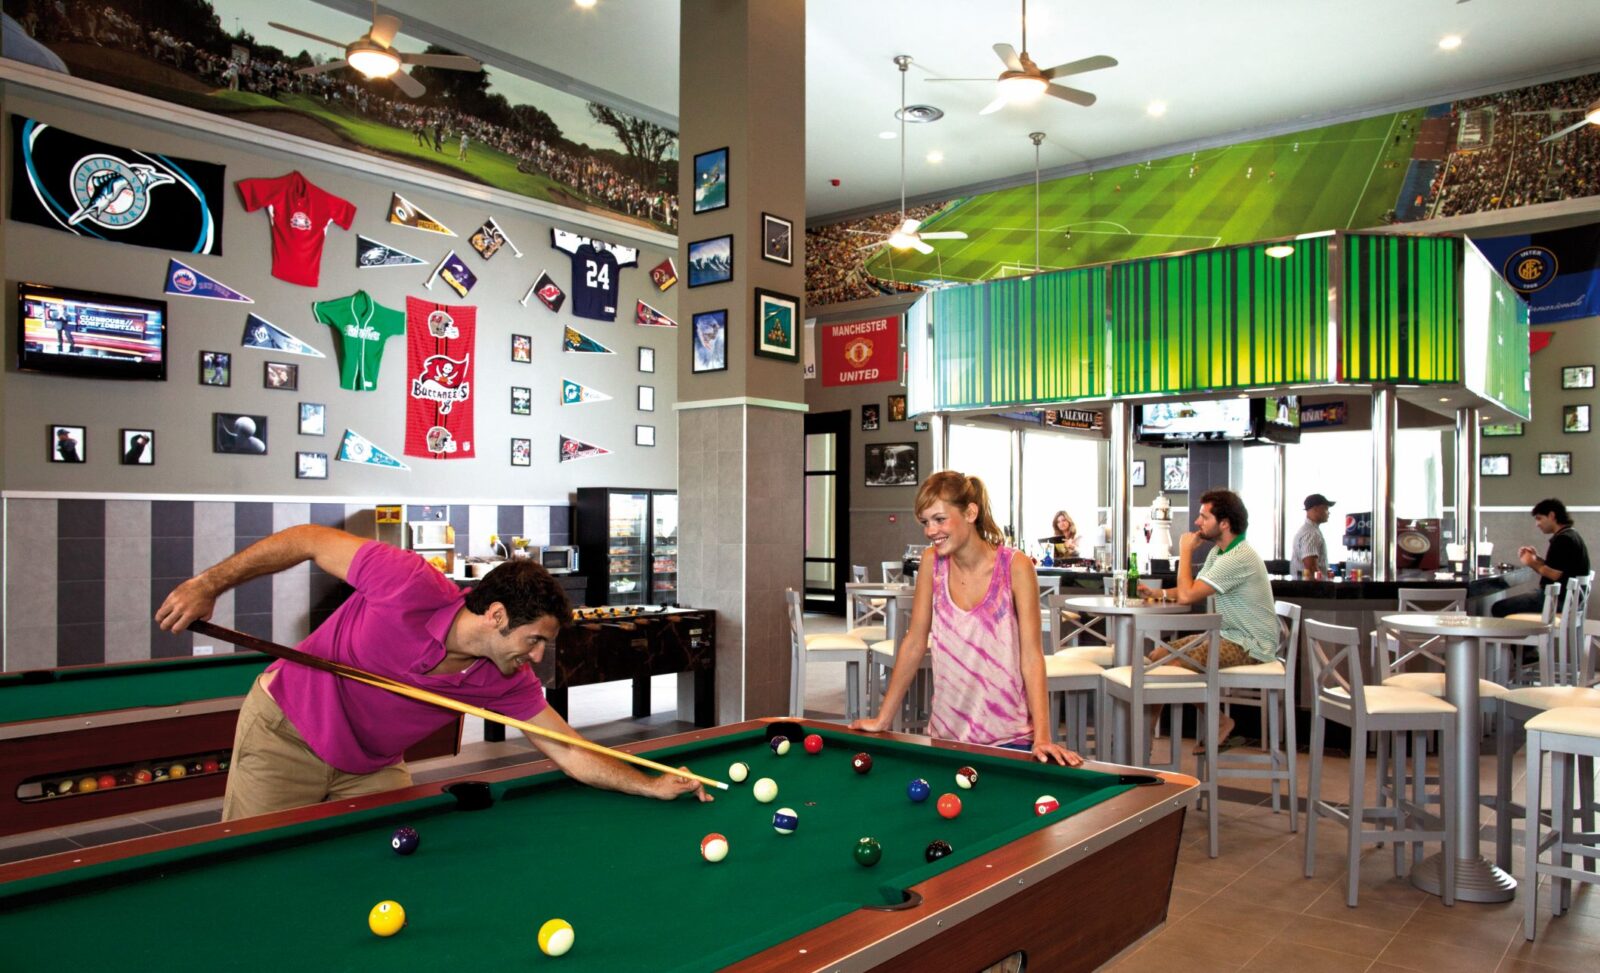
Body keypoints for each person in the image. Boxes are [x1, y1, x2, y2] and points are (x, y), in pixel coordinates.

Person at [155, 526, 708, 819]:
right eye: (534, 639)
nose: (538, 656)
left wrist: (651, 784)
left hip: (370, 766)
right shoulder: (406, 582)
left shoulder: (504, 677)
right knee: (256, 873)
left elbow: (569, 749)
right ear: (495, 616)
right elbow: (304, 538)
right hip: (285, 737)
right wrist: (209, 584)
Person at [851, 472, 1083, 767]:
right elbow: (914, 642)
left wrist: (1043, 736)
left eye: (939, 519)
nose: (930, 531)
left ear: (970, 512)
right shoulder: (931, 564)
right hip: (946, 734)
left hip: (1010, 736)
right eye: (925, 522)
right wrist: (882, 718)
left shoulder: (1015, 565)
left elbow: (1032, 656)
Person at [1139, 489, 1278, 747]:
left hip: (1251, 644)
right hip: (1228, 635)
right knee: (1158, 656)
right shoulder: (1219, 553)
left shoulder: (1239, 557)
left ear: (1224, 523)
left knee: (1168, 668)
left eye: (1204, 517)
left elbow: (1187, 596)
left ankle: (1145, 741)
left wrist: (1185, 551)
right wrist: (1157, 592)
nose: (1197, 522)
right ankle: (1145, 737)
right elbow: (1193, 588)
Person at [1492, 498, 1590, 616]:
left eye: (1539, 518)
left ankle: (1529, 634)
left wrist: (1531, 562)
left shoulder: (1563, 539)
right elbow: (1559, 569)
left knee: (1499, 607)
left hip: (1558, 600)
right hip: (1569, 599)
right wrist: (1536, 559)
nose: (1537, 524)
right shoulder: (1571, 535)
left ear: (1552, 515)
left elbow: (1554, 574)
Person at [1292, 493, 1334, 577]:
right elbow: (1311, 568)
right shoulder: (1311, 533)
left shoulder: (1308, 530)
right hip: (1311, 588)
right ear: (1315, 509)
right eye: (1326, 508)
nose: (1329, 513)